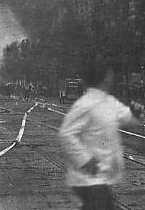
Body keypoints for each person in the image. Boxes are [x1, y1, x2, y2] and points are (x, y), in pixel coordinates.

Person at [58, 64, 145, 210]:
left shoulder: (109, 101)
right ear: (105, 78)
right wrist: (85, 160)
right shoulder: (85, 104)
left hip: (102, 176)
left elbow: (126, 117)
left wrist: (136, 113)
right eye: (110, 74)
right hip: (87, 179)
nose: (112, 78)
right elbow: (66, 133)